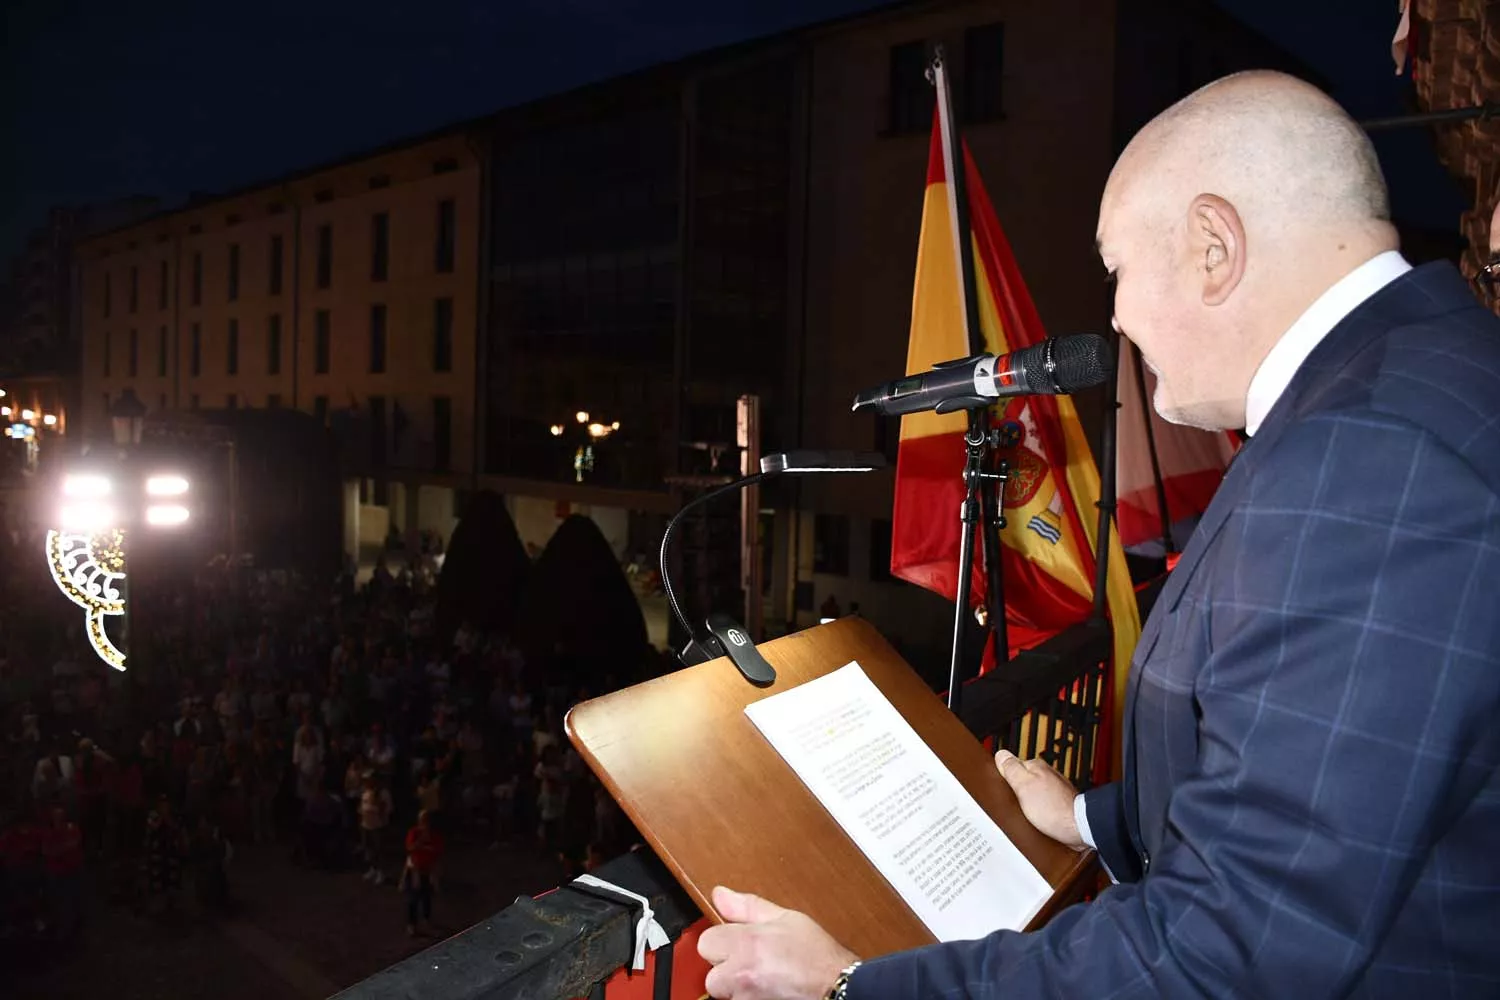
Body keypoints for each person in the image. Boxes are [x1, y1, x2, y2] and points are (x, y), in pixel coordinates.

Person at [695, 71, 1500, 999]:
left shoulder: (1368, 455)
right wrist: (1094, 819)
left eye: (1116, 267)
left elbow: (1228, 955)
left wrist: (851, 985)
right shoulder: (1414, 381)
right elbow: (1344, 773)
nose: (1112, 315)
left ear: (1213, 246)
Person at [401, 809, 444, 936]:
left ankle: (427, 919)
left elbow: (438, 852)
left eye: (425, 820)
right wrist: (420, 840)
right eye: (421, 820)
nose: (423, 823)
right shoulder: (414, 832)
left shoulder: (435, 835)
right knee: (412, 899)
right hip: (414, 870)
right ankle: (412, 924)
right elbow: (409, 848)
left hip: (428, 871)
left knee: (427, 898)